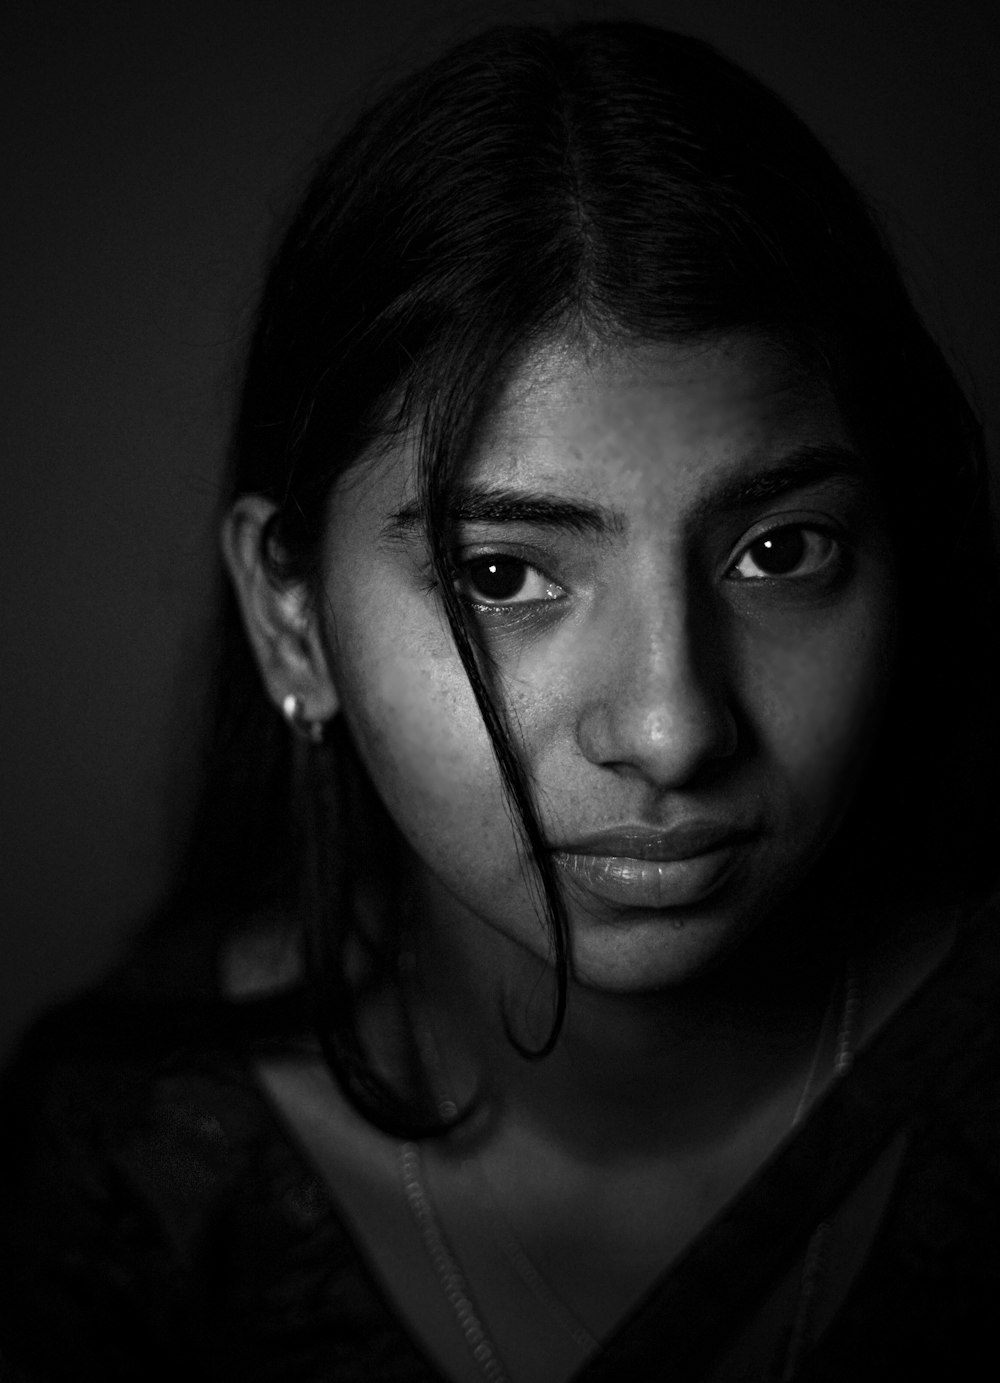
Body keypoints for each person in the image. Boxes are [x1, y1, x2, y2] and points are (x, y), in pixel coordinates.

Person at [2, 18, 998, 1383]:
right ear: (291, 619)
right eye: (501, 571)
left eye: (779, 550)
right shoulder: (127, 1171)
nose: (672, 727)